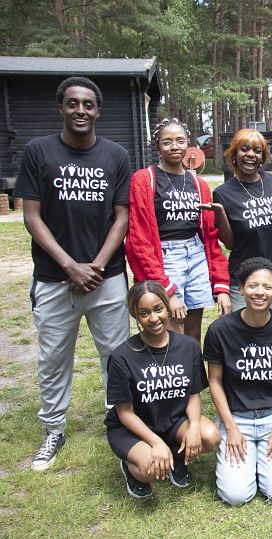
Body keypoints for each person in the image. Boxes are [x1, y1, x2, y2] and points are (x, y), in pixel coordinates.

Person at [13, 76, 132, 471]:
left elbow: (122, 216)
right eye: (72, 103)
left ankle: (119, 419)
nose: (80, 110)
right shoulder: (39, 151)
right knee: (53, 357)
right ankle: (53, 429)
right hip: (54, 278)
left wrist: (96, 265)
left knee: (116, 356)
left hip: (106, 277)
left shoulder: (116, 155)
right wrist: (69, 265)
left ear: (98, 111)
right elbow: (32, 216)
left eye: (88, 104)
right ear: (61, 108)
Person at [106, 280, 220, 499]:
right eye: (144, 313)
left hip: (173, 420)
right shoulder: (122, 356)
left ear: (167, 307)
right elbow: (125, 413)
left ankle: (176, 456)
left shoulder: (188, 346)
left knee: (210, 436)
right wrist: (156, 442)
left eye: (158, 309)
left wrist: (194, 427)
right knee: (152, 469)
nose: (154, 318)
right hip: (133, 427)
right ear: (135, 315)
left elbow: (193, 395)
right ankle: (131, 467)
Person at [204, 258, 272, 505]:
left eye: (267, 287)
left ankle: (263, 462)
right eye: (253, 285)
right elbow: (215, 382)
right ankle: (248, 461)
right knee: (235, 496)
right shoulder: (219, 330)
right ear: (241, 288)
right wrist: (230, 428)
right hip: (237, 418)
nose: (260, 292)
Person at [126, 118, 231, 342]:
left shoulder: (199, 184)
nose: (174, 146)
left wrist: (221, 284)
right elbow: (139, 237)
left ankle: (192, 365)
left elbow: (210, 236)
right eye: (167, 142)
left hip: (195, 255)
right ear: (157, 146)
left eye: (180, 141)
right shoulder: (144, 179)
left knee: (193, 331)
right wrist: (167, 290)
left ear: (188, 145)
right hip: (164, 256)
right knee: (171, 328)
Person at [207, 129, 272, 311]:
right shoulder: (223, 193)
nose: (251, 154)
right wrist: (220, 214)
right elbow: (230, 244)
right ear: (234, 154)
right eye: (244, 149)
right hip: (244, 281)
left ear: (263, 157)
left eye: (257, 151)